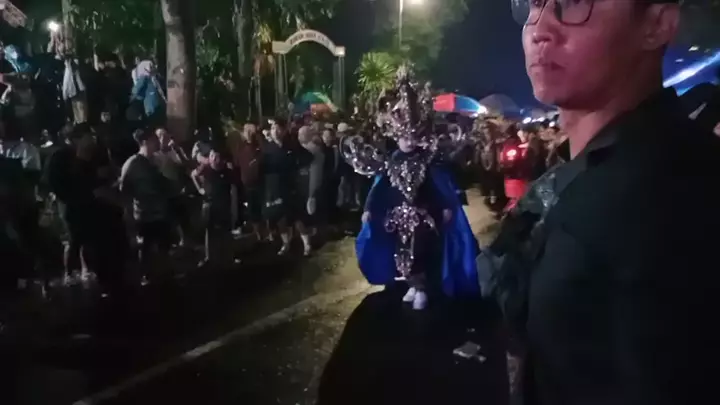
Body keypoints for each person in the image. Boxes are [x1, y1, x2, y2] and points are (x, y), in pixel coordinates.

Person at [482, 0, 720, 403]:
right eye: (534, 5)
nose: (540, 29)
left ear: (657, 24)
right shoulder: (595, 170)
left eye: (574, 3)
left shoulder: (661, 203)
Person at [120, 129, 176, 283]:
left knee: (164, 245)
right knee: (146, 247)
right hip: (144, 214)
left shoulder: (157, 160)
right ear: (144, 142)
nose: (157, 142)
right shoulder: (132, 164)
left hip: (161, 211)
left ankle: (166, 275)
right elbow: (124, 190)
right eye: (153, 140)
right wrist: (128, 214)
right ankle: (146, 275)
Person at [261, 118, 313, 255]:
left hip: (292, 187)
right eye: (273, 128)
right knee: (281, 219)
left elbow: (308, 157)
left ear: (284, 130)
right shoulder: (267, 148)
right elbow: (262, 168)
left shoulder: (292, 145)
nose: (275, 131)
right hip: (275, 188)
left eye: (278, 128)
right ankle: (285, 243)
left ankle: (307, 244)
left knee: (298, 217)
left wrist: (300, 170)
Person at [191, 149, 234, 268]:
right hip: (209, 205)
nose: (214, 159)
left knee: (226, 232)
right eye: (212, 156)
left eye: (216, 156)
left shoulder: (227, 171)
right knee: (209, 232)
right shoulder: (205, 169)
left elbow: (232, 188)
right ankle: (208, 257)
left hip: (224, 204)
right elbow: (193, 175)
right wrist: (200, 189)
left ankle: (229, 257)